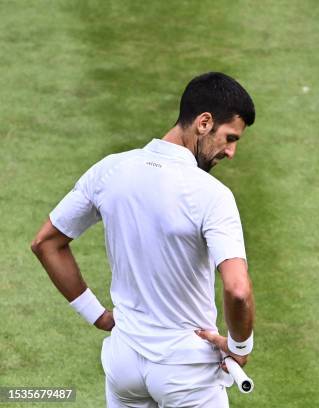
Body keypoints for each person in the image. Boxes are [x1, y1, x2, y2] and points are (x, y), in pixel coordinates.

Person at [31, 72, 256, 407]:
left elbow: (46, 243)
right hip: (187, 372)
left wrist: (99, 316)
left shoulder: (109, 170)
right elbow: (238, 290)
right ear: (205, 122)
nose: (232, 152)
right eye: (230, 137)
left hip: (124, 365)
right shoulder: (214, 195)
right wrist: (240, 347)